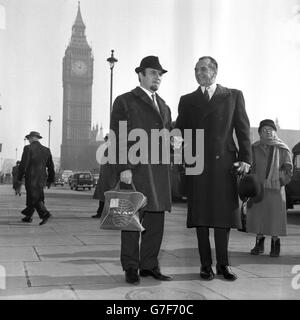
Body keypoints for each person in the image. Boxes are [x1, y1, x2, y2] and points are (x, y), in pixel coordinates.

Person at [175, 56, 252, 281]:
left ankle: (223, 264)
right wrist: (176, 145)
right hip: (197, 165)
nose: (199, 73)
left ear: (215, 71)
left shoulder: (233, 95)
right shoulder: (187, 100)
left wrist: (246, 158)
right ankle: (205, 265)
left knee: (222, 217)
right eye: (196, 69)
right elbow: (180, 131)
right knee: (201, 217)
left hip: (224, 165)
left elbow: (243, 129)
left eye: (204, 69)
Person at [110, 56, 173, 284]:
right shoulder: (125, 101)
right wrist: (123, 167)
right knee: (130, 220)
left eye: (160, 74)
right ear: (141, 75)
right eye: (153, 72)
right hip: (134, 170)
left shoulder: (164, 105)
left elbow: (167, 136)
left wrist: (174, 143)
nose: (157, 77)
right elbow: (117, 137)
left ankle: (149, 265)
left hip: (158, 172)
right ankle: (130, 266)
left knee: (156, 221)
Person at [247, 119, 293, 257]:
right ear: (259, 132)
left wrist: (279, 180)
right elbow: (250, 167)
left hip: (276, 191)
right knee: (259, 217)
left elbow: (288, 168)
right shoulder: (254, 148)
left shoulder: (282, 148)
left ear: (275, 132)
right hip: (259, 189)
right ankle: (259, 244)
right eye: (263, 129)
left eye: (270, 129)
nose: (267, 132)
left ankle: (275, 245)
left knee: (274, 219)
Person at [17, 131, 55, 225]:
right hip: (42, 178)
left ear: (32, 138)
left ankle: (45, 214)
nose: (28, 140)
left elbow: (23, 165)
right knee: (36, 196)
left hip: (31, 177)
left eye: (29, 138)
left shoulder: (28, 148)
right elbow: (51, 166)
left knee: (34, 197)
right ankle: (28, 216)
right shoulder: (46, 150)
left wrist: (19, 178)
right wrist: (50, 179)